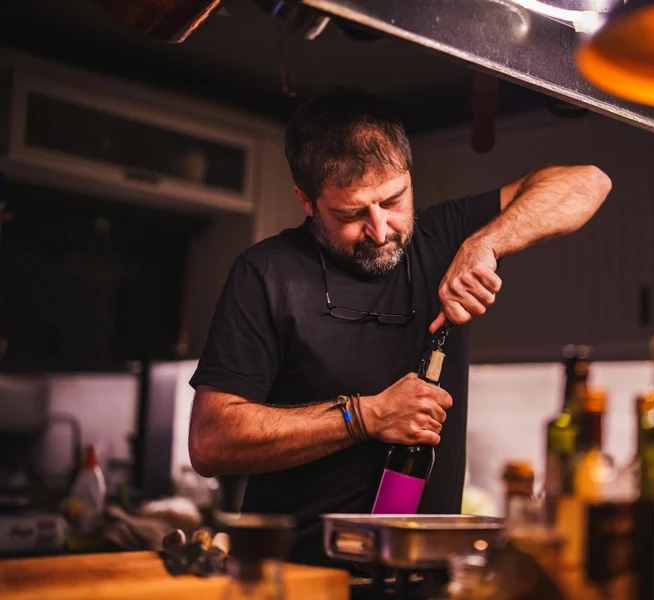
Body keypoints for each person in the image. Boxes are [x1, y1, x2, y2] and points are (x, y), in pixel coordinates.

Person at [187, 87, 611, 567]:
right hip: (300, 579)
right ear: (306, 201)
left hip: (428, 577)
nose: (381, 228)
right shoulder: (265, 274)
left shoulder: (443, 237)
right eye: (351, 214)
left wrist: (488, 243)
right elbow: (210, 441)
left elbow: (588, 183)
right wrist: (366, 417)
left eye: (393, 200)